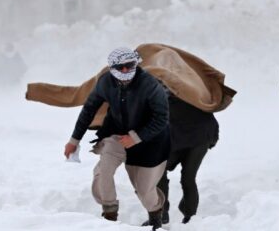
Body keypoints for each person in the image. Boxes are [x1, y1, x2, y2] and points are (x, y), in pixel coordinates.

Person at [63, 48, 170, 230]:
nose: (126, 70)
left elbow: (162, 118)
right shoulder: (105, 82)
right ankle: (109, 215)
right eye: (121, 67)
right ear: (112, 67)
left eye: (130, 66)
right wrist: (74, 140)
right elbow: (88, 109)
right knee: (104, 171)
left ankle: (155, 215)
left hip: (149, 141)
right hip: (116, 135)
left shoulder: (150, 85)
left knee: (145, 191)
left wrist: (135, 138)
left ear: (136, 64)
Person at [142, 94, 218, 226]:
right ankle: (179, 216)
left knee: (167, 174)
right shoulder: (192, 87)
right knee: (182, 177)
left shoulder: (164, 90)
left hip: (194, 138)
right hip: (189, 137)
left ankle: (169, 215)